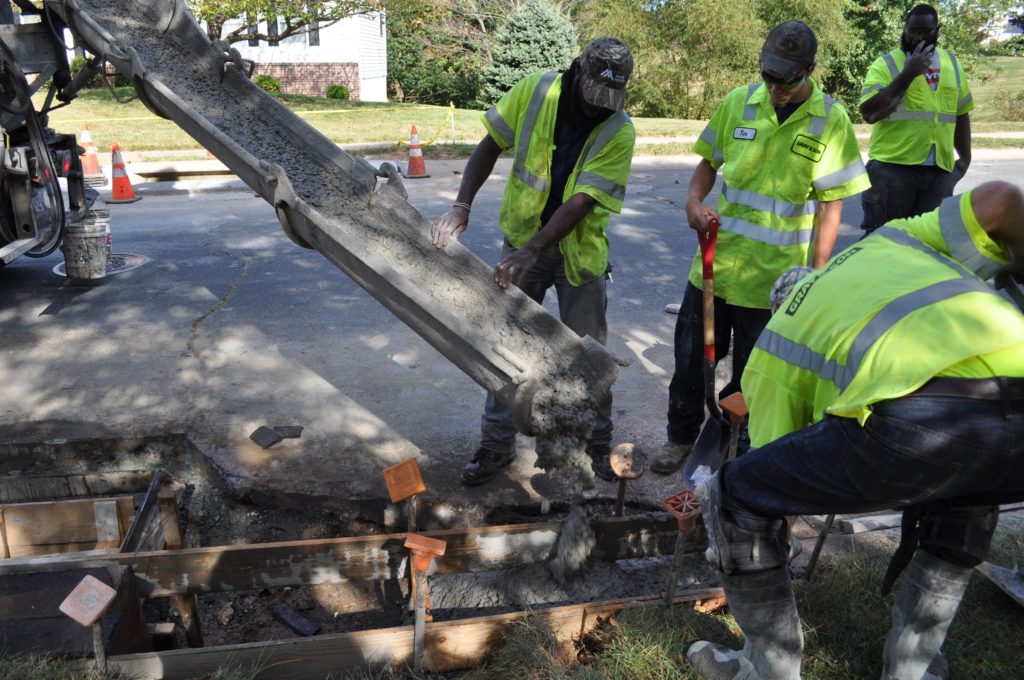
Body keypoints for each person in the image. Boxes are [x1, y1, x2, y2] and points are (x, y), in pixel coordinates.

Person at [685, 181, 1024, 680]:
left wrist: (745, 541)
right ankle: (912, 671)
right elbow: (999, 199)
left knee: (736, 498)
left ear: (782, 304)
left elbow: (777, 495)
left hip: (921, 420)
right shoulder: (890, 241)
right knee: (967, 492)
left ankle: (767, 672)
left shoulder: (778, 342)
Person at [654, 20, 869, 474]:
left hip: (772, 282)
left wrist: (816, 277)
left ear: (810, 69)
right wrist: (693, 200)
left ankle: (740, 447)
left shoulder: (831, 121)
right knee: (692, 359)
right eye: (769, 77)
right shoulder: (739, 103)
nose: (775, 89)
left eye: (786, 81)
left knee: (754, 373)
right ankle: (679, 436)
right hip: (714, 268)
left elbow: (833, 205)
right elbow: (707, 164)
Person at [431, 37, 636, 486]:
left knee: (589, 355)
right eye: (595, 93)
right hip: (522, 241)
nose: (602, 106)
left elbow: (582, 201)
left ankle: (598, 446)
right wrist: (462, 206)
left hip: (576, 255)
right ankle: (495, 446)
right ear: (578, 71)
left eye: (611, 98)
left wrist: (534, 250)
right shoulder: (536, 91)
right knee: (504, 345)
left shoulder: (620, 129)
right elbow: (489, 145)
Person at [859, 4, 973, 235]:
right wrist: (909, 73)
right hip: (891, 171)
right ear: (904, 29)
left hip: (938, 174)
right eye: (912, 31)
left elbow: (961, 114)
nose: (918, 37)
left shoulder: (952, 63)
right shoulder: (886, 64)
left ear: (937, 30)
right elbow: (870, 113)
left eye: (926, 31)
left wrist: (965, 159)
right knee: (884, 244)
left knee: (927, 247)